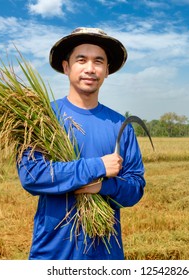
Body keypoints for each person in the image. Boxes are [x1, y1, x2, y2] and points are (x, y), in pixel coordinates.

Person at [16, 27, 146, 260]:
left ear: (107, 71)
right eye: (81, 60)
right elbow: (32, 176)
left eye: (98, 61)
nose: (90, 68)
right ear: (66, 67)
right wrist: (96, 168)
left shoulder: (120, 125)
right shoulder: (43, 118)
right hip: (54, 253)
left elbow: (136, 189)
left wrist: (103, 187)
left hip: (106, 253)